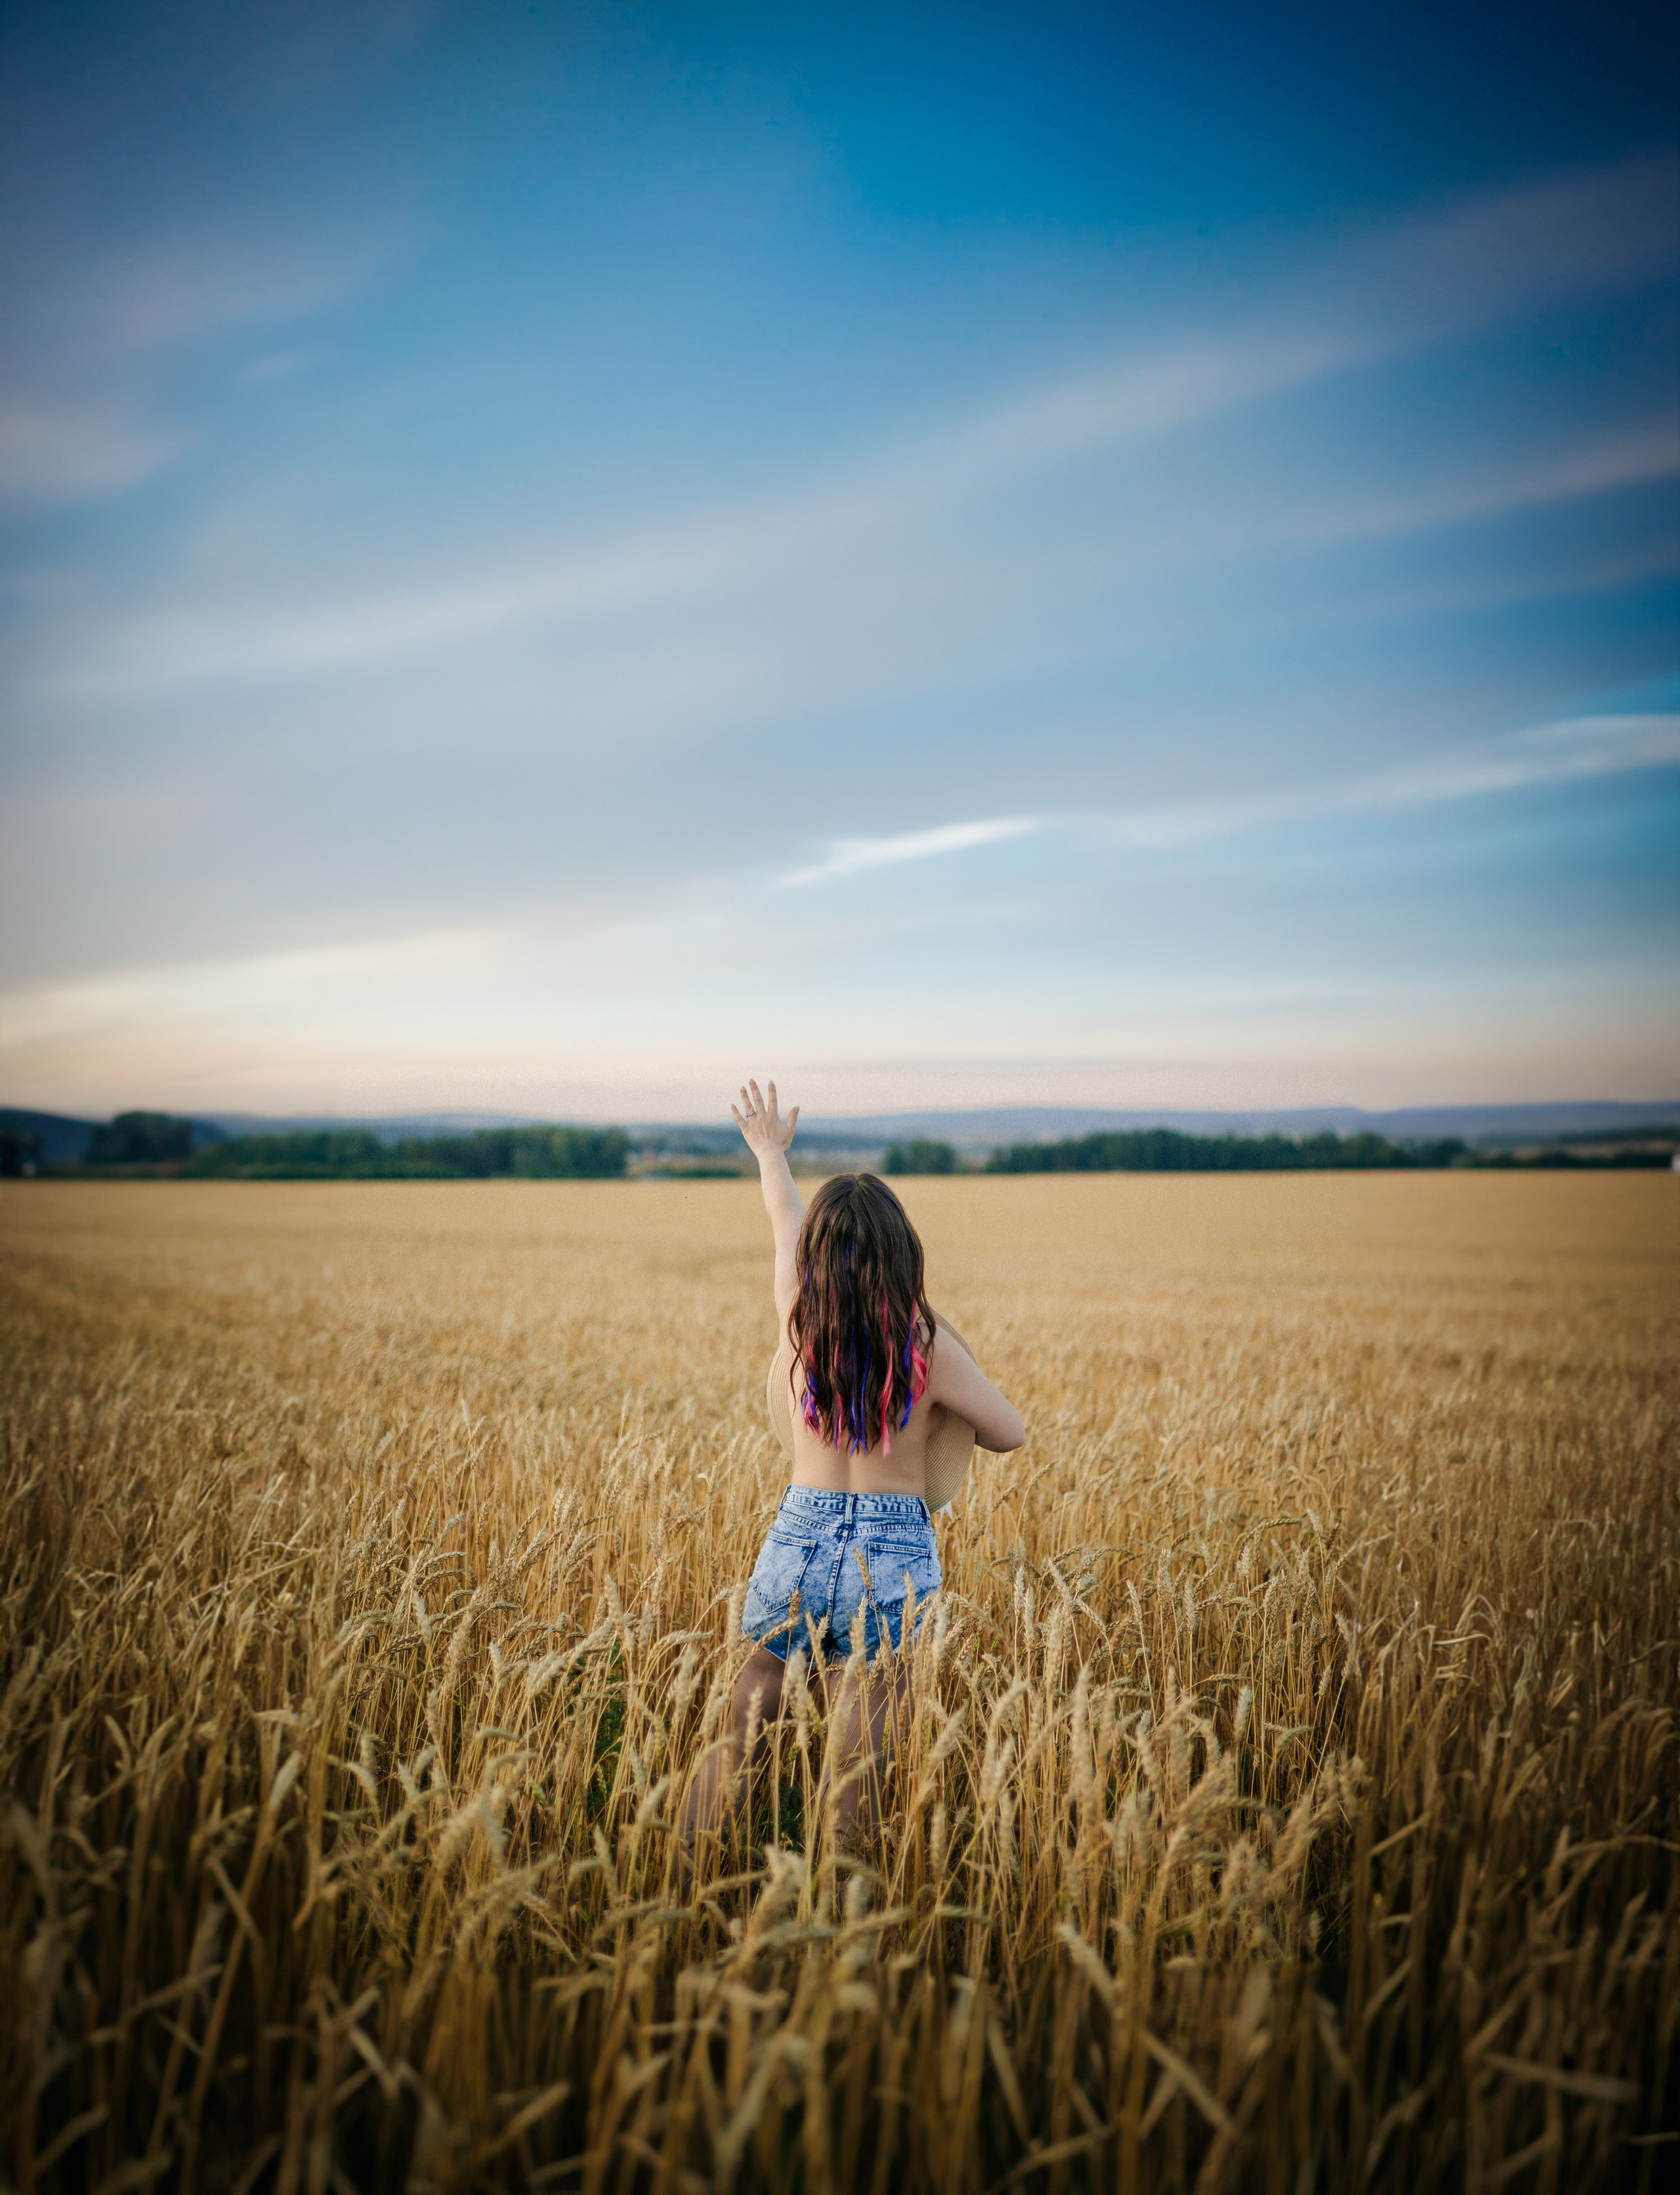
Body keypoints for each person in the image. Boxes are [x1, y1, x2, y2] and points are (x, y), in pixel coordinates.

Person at [681, 1078, 1024, 1850]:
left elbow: (783, 1223)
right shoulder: (927, 1347)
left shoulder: (801, 1324)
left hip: (796, 1535)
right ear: (904, 1255)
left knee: (741, 1730)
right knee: (857, 1763)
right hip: (892, 1550)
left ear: (816, 1258)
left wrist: (770, 1152)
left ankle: (679, 1865)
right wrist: (947, 1389)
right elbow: (1010, 1432)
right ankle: (842, 1919)